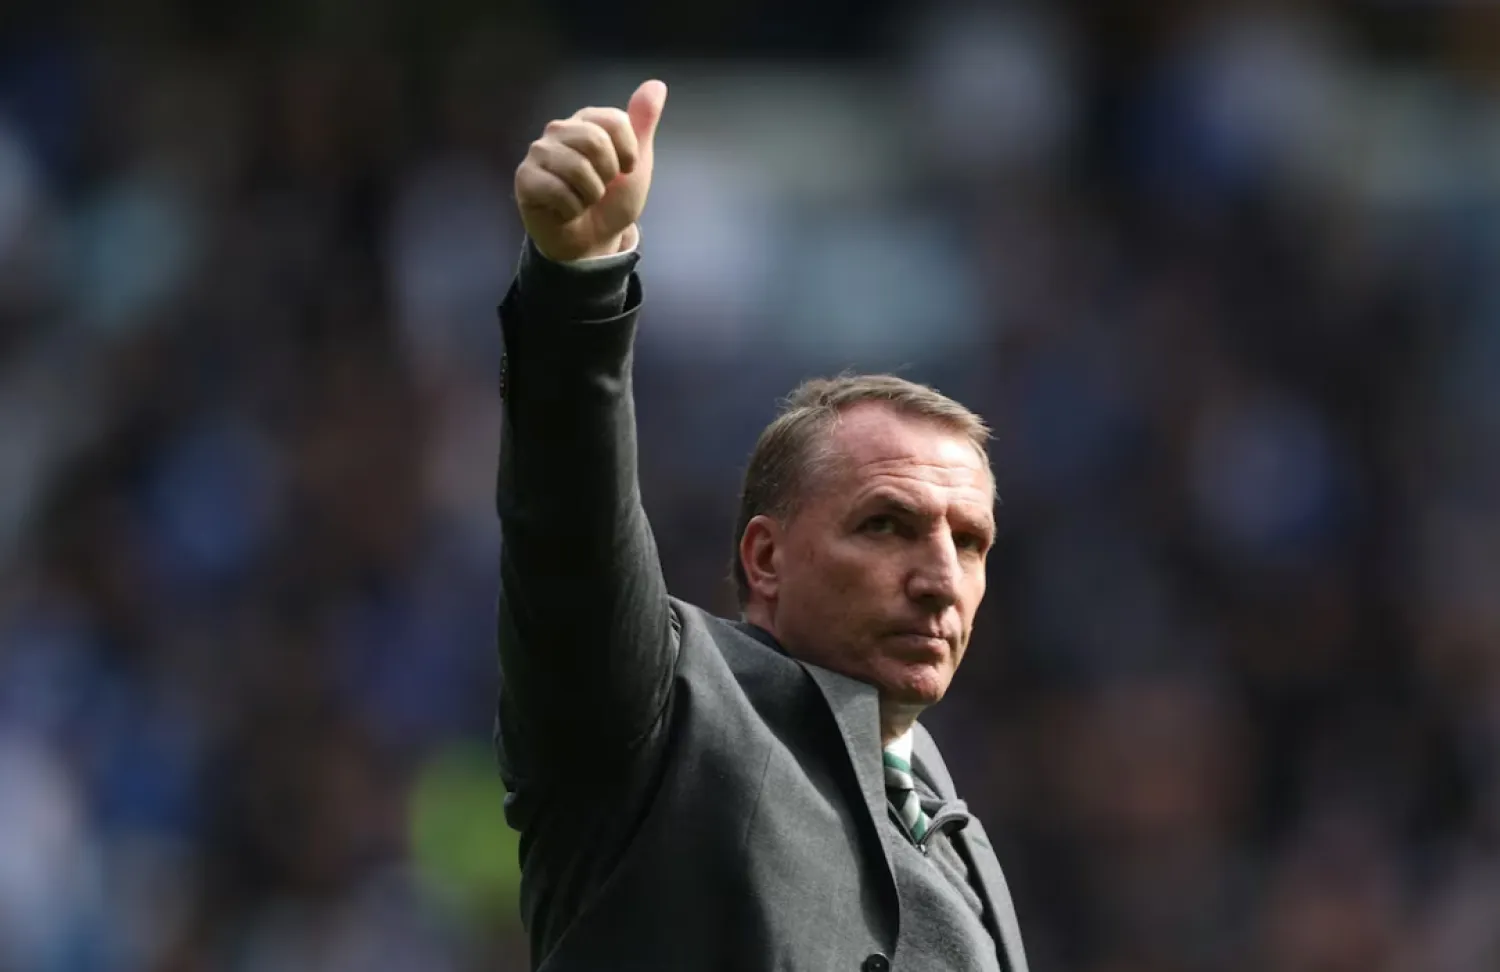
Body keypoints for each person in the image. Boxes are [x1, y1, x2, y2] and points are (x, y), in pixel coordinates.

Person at [495, 78, 1029, 972]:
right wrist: (578, 286)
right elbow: (567, 537)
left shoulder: (953, 827)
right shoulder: (660, 715)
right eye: (887, 526)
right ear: (766, 557)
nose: (941, 577)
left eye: (969, 541)